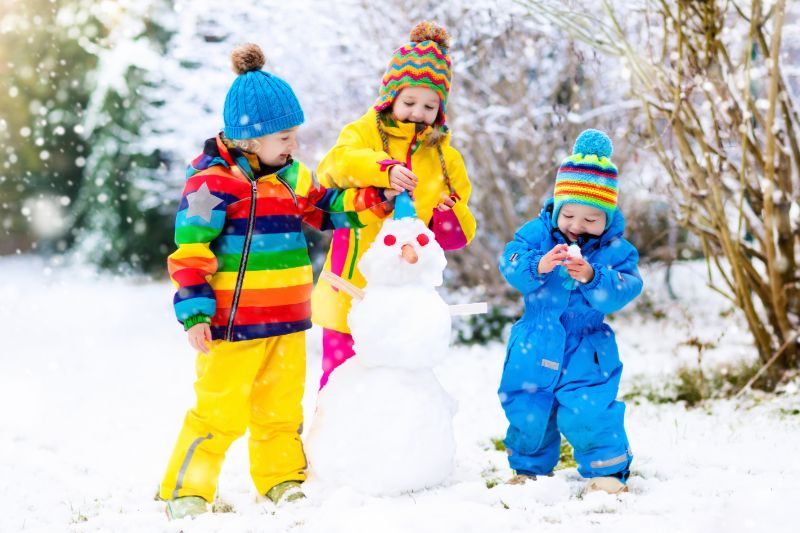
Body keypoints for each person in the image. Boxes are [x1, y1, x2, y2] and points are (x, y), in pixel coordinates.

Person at [158, 43, 397, 519]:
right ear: (251, 138)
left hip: (287, 322)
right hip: (230, 327)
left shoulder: (292, 177)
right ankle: (187, 489)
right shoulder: (212, 184)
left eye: (295, 136)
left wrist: (376, 198)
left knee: (281, 409)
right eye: (285, 137)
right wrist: (196, 313)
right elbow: (190, 252)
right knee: (219, 412)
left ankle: (281, 479)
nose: (294, 145)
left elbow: (326, 207)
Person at [311, 21, 477, 388]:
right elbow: (333, 168)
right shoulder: (363, 132)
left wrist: (448, 214)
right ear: (390, 97)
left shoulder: (446, 159)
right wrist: (382, 170)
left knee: (398, 381)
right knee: (340, 378)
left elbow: (458, 237)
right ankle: (332, 442)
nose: (418, 112)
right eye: (409, 102)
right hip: (351, 286)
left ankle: (393, 443)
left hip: (405, 298)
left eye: (430, 105)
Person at [497, 129, 643, 495]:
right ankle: (528, 469)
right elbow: (510, 261)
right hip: (534, 339)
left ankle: (607, 471)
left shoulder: (615, 251)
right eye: (570, 215)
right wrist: (538, 265)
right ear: (557, 208)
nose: (577, 226)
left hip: (586, 347)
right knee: (528, 406)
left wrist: (594, 277)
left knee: (589, 409)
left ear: (607, 219)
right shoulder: (536, 236)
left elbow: (625, 288)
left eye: (591, 219)